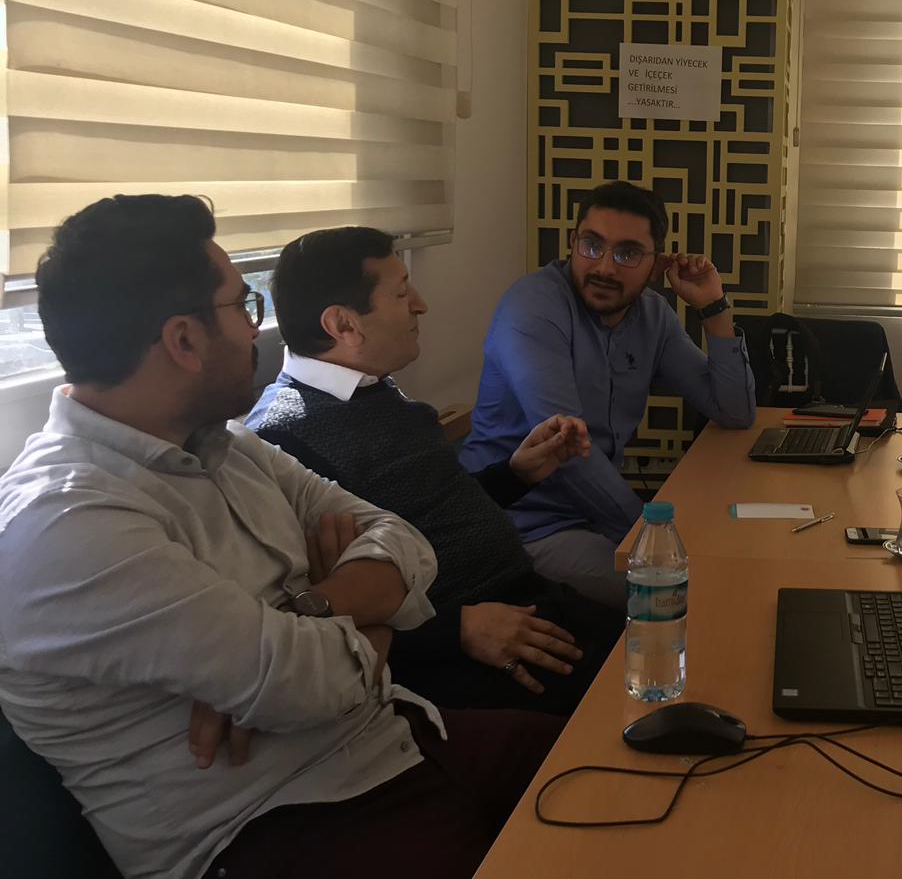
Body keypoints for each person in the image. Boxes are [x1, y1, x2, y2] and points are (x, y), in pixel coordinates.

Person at [0, 196, 559, 879]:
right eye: (243, 305)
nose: (255, 327)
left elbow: (406, 544)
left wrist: (304, 612)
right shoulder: (65, 523)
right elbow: (314, 686)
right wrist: (360, 623)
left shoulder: (228, 446)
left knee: (629, 776)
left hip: (402, 740)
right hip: (277, 841)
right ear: (184, 339)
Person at [248, 226, 623, 714]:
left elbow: (428, 512)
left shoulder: (374, 389)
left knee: (679, 652)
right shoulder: (282, 441)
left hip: (527, 595)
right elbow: (307, 624)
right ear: (343, 324)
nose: (421, 305)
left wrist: (516, 474)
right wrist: (456, 631)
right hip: (461, 650)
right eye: (402, 292)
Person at [462, 181, 757, 606]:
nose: (604, 267)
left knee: (739, 562)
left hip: (596, 517)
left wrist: (712, 306)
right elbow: (567, 454)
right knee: (693, 594)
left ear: (656, 265)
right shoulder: (533, 309)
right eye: (591, 245)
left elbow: (735, 411)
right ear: (572, 242)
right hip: (526, 527)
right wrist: (654, 540)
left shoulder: (652, 315)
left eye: (628, 253)